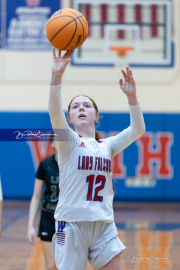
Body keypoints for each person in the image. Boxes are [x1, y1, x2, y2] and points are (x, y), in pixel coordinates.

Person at [48, 48, 145, 270]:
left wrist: (132, 98)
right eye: (75, 106)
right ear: (70, 119)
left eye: (87, 105)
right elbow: (54, 112)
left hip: (103, 226)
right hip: (71, 225)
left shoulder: (107, 145)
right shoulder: (68, 142)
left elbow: (138, 129)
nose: (81, 108)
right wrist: (56, 77)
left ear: (96, 116)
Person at [27, 135, 59, 270]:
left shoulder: (74, 165)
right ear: (52, 143)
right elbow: (36, 197)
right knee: (51, 266)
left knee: (68, 265)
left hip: (68, 218)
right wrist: (30, 226)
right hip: (48, 217)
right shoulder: (45, 164)